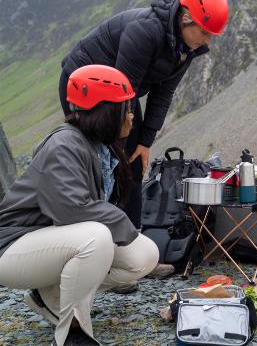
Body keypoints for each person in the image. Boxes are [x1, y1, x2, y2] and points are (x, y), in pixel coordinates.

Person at [57, 0, 229, 282]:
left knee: (133, 164)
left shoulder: (185, 48)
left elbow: (164, 93)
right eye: (204, 32)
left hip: (122, 92)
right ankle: (92, 255)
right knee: (101, 166)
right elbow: (121, 96)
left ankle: (132, 251)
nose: (208, 40)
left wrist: (146, 141)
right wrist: (119, 146)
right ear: (186, 18)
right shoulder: (145, 30)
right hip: (84, 88)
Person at [0, 65, 160, 345]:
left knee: (144, 254)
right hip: (13, 247)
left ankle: (50, 295)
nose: (132, 115)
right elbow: (69, 210)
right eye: (126, 108)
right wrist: (123, 226)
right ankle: (73, 331)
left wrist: (126, 234)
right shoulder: (64, 145)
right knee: (95, 237)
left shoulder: (100, 144)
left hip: (51, 241)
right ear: (107, 111)